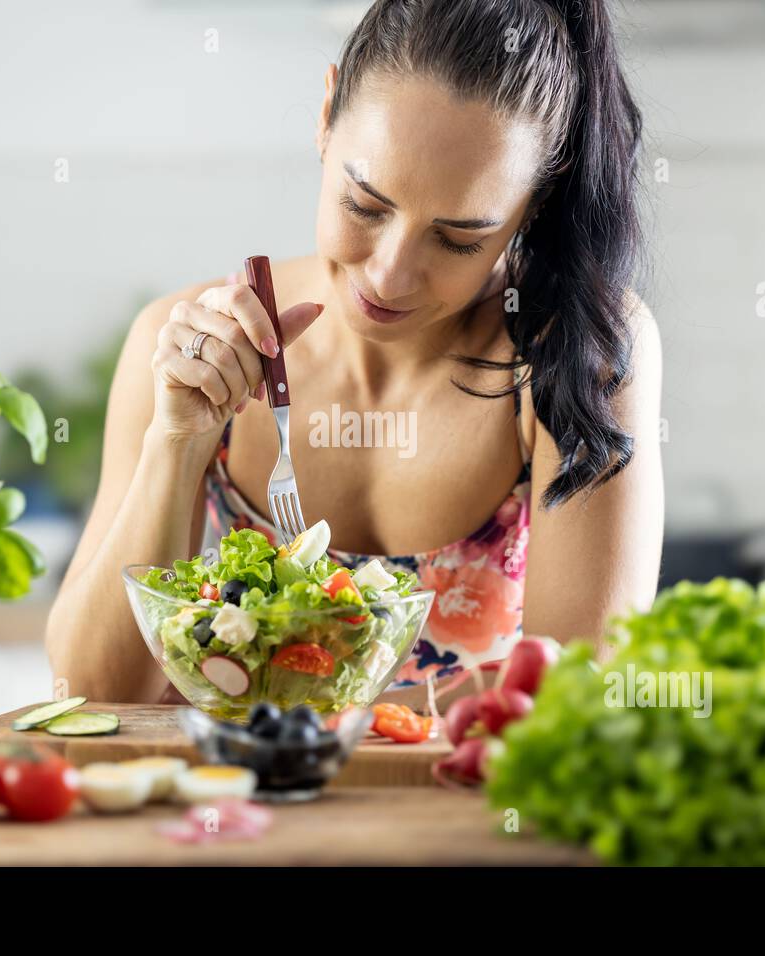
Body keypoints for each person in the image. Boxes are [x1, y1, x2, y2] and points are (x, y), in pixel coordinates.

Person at [47, 0, 664, 705]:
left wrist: (311, 719)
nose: (389, 275)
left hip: (457, 816)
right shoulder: (179, 341)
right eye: (365, 206)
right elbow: (91, 689)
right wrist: (178, 441)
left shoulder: (574, 351)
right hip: (226, 812)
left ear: (533, 206)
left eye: (459, 239)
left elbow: (585, 691)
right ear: (325, 116)